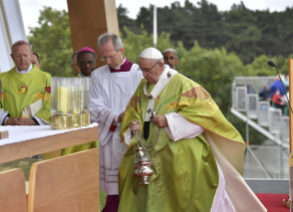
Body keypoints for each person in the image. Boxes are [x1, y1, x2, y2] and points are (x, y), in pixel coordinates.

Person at [118, 47, 266, 212]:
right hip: (148, 154)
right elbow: (134, 112)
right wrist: (134, 124)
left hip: (178, 153)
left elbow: (204, 116)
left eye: (147, 70)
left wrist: (169, 120)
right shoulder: (143, 86)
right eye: (141, 69)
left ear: (160, 65)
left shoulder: (183, 84)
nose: (143, 74)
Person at [89, 32, 143, 212]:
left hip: (135, 136)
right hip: (111, 136)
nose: (107, 61)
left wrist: (132, 119)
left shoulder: (139, 73)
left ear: (121, 50)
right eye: (103, 57)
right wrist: (117, 117)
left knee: (138, 186)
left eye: (111, 56)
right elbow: (94, 106)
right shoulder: (97, 75)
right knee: (115, 193)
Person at [0, 40, 51, 125]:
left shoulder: (45, 78)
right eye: (18, 56)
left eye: (25, 55)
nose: (22, 59)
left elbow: (50, 104)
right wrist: (7, 121)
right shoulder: (1, 78)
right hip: (10, 128)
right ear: (12, 57)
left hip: (36, 128)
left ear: (31, 56)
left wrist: (35, 121)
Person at [61, 47, 97, 155]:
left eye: (90, 62)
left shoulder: (105, 82)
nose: (87, 66)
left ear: (95, 62)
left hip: (101, 134)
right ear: (78, 64)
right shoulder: (67, 87)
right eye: (83, 63)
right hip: (78, 138)